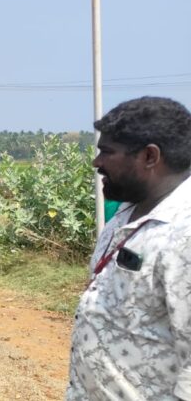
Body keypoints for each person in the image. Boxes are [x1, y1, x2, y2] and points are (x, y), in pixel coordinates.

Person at [68, 96, 191, 400]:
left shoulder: (184, 233)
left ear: (150, 156)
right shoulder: (127, 211)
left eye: (107, 152)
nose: (96, 162)